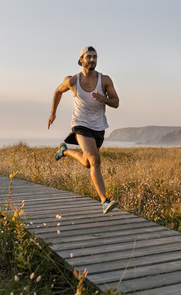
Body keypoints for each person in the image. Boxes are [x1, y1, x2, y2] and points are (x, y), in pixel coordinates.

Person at [47, 46, 119, 214]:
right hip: (80, 124)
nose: (92, 59)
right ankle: (104, 201)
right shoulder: (72, 81)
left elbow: (116, 102)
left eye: (95, 57)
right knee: (95, 160)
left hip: (98, 127)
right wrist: (53, 113)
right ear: (81, 60)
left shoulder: (105, 80)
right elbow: (58, 91)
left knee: (87, 163)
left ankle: (64, 151)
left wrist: (103, 99)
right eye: (88, 57)